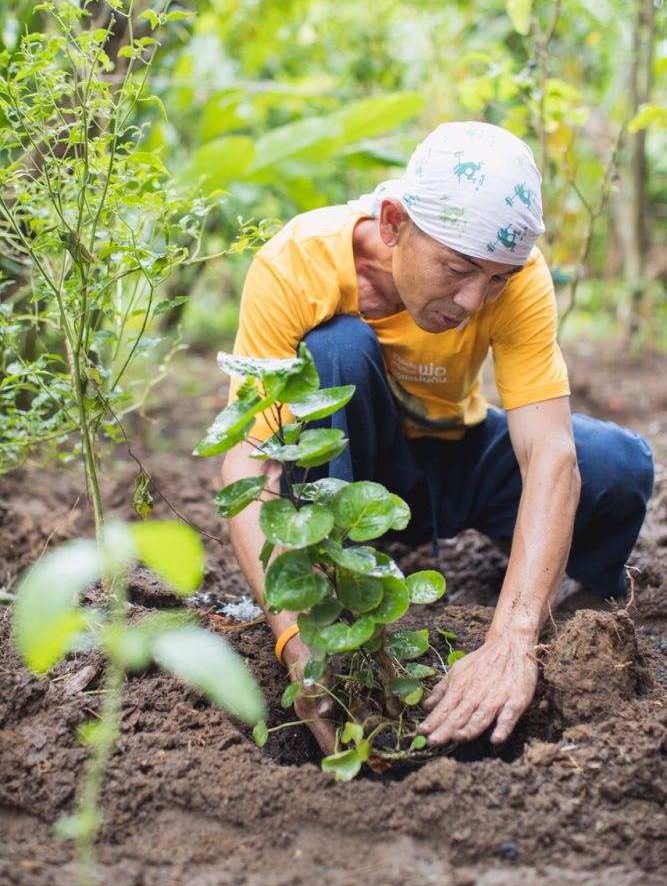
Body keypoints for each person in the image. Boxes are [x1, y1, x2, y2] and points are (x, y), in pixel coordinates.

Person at [220, 121, 654, 756]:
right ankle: (335, 597)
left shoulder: (516, 279)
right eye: (458, 269)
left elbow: (550, 453)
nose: (476, 298)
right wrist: (294, 641)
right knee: (335, 349)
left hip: (456, 452)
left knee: (619, 463)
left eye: (497, 279)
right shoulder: (297, 264)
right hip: (346, 466)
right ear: (394, 222)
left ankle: (573, 607)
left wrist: (513, 640)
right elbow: (250, 464)